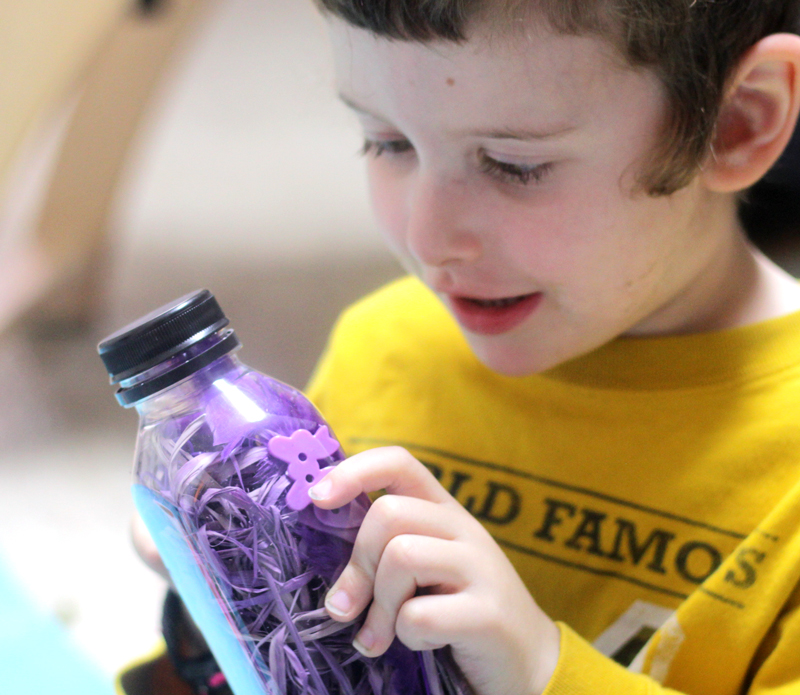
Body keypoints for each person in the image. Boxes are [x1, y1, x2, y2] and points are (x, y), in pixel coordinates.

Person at [122, 1, 800, 694]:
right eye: (387, 142)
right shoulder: (381, 347)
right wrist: (218, 598)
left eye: (514, 164)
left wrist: (542, 669)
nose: (427, 237)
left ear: (737, 121)